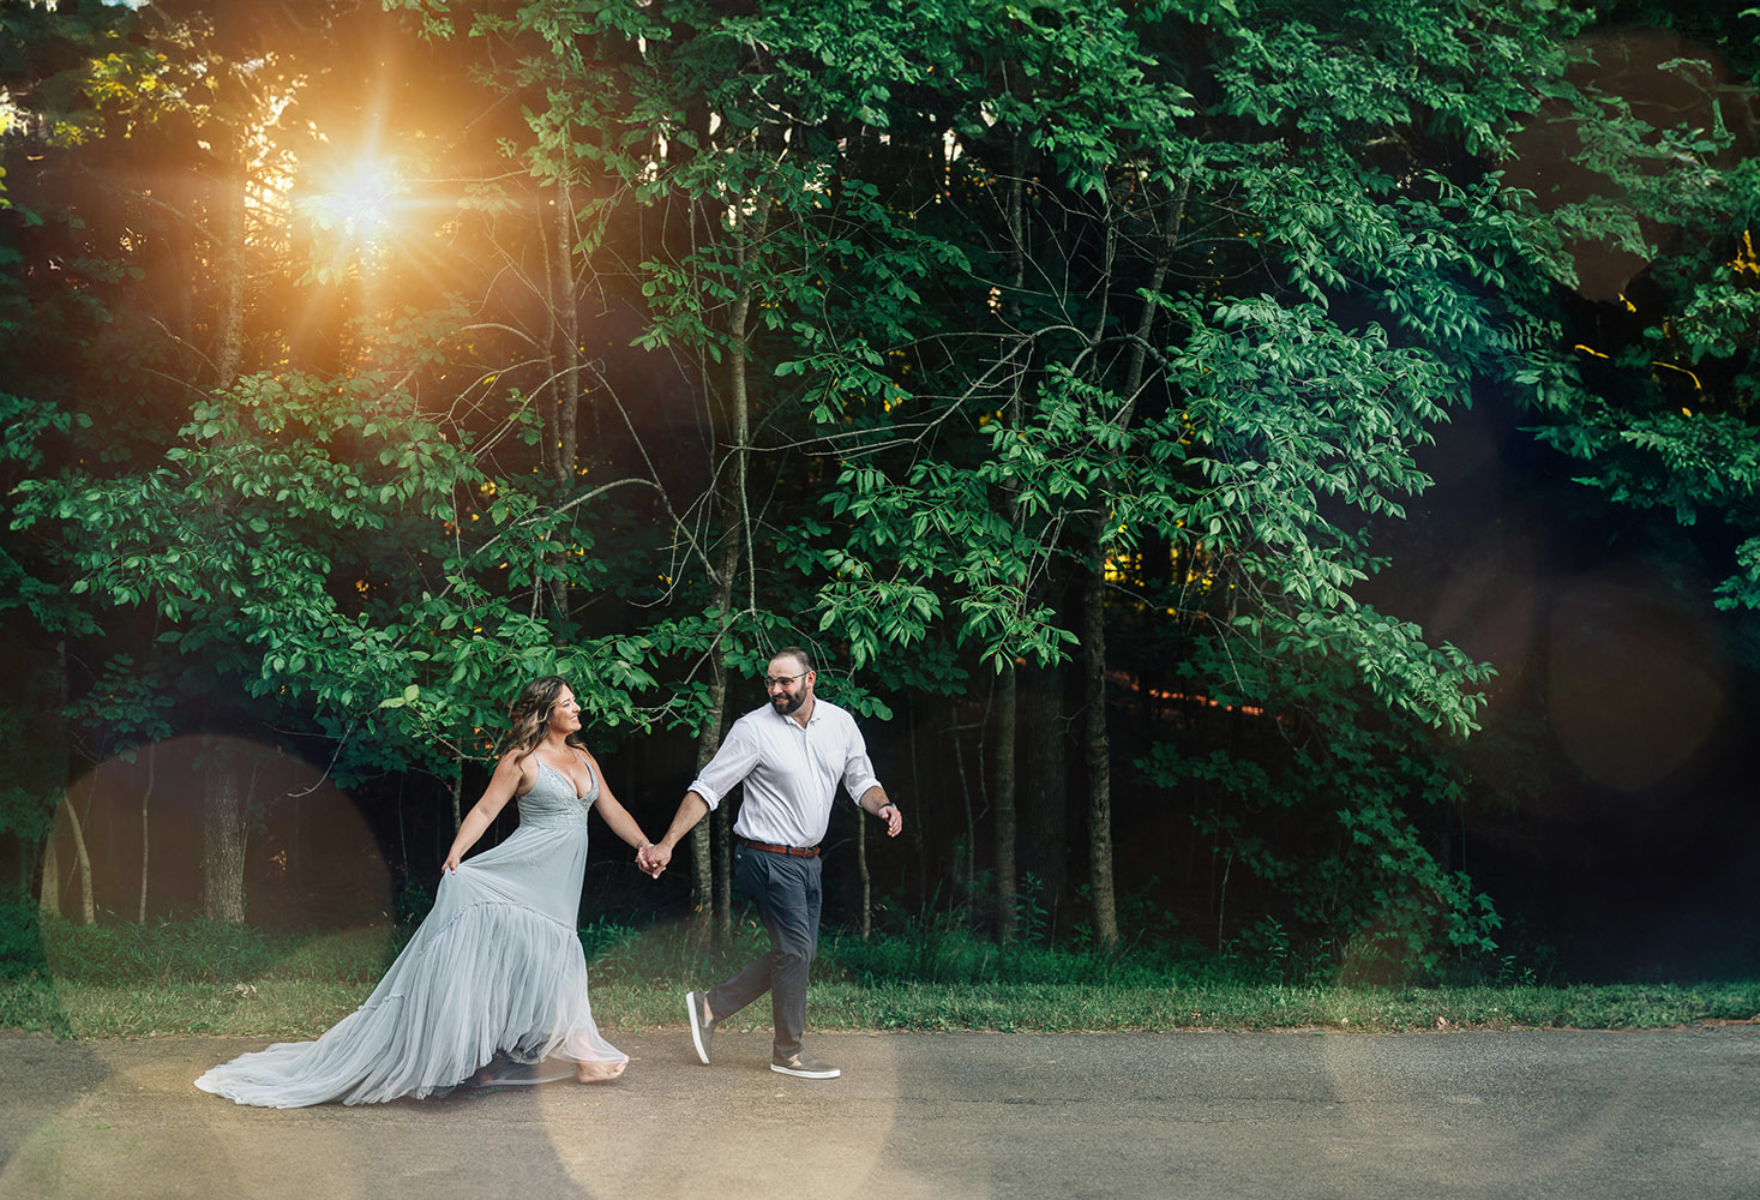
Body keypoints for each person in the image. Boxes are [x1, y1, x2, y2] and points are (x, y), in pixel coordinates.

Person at [195, 676, 653, 1107]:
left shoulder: (585, 758)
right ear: (544, 711)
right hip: (519, 871)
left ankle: (531, 1051)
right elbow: (485, 810)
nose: (577, 708)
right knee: (543, 952)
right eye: (567, 703)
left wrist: (644, 846)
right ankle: (554, 1054)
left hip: (559, 879)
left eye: (574, 702)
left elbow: (611, 809)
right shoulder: (521, 762)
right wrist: (456, 853)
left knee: (554, 952)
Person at [639, 646, 902, 1080]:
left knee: (797, 952)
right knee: (796, 951)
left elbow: (862, 780)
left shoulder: (839, 723)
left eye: (785, 682)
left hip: (808, 861)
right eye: (770, 682)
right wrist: (667, 843)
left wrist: (884, 806)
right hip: (764, 857)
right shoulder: (753, 730)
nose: (776, 690)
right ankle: (789, 1052)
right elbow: (708, 788)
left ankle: (710, 1005)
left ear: (810, 679)